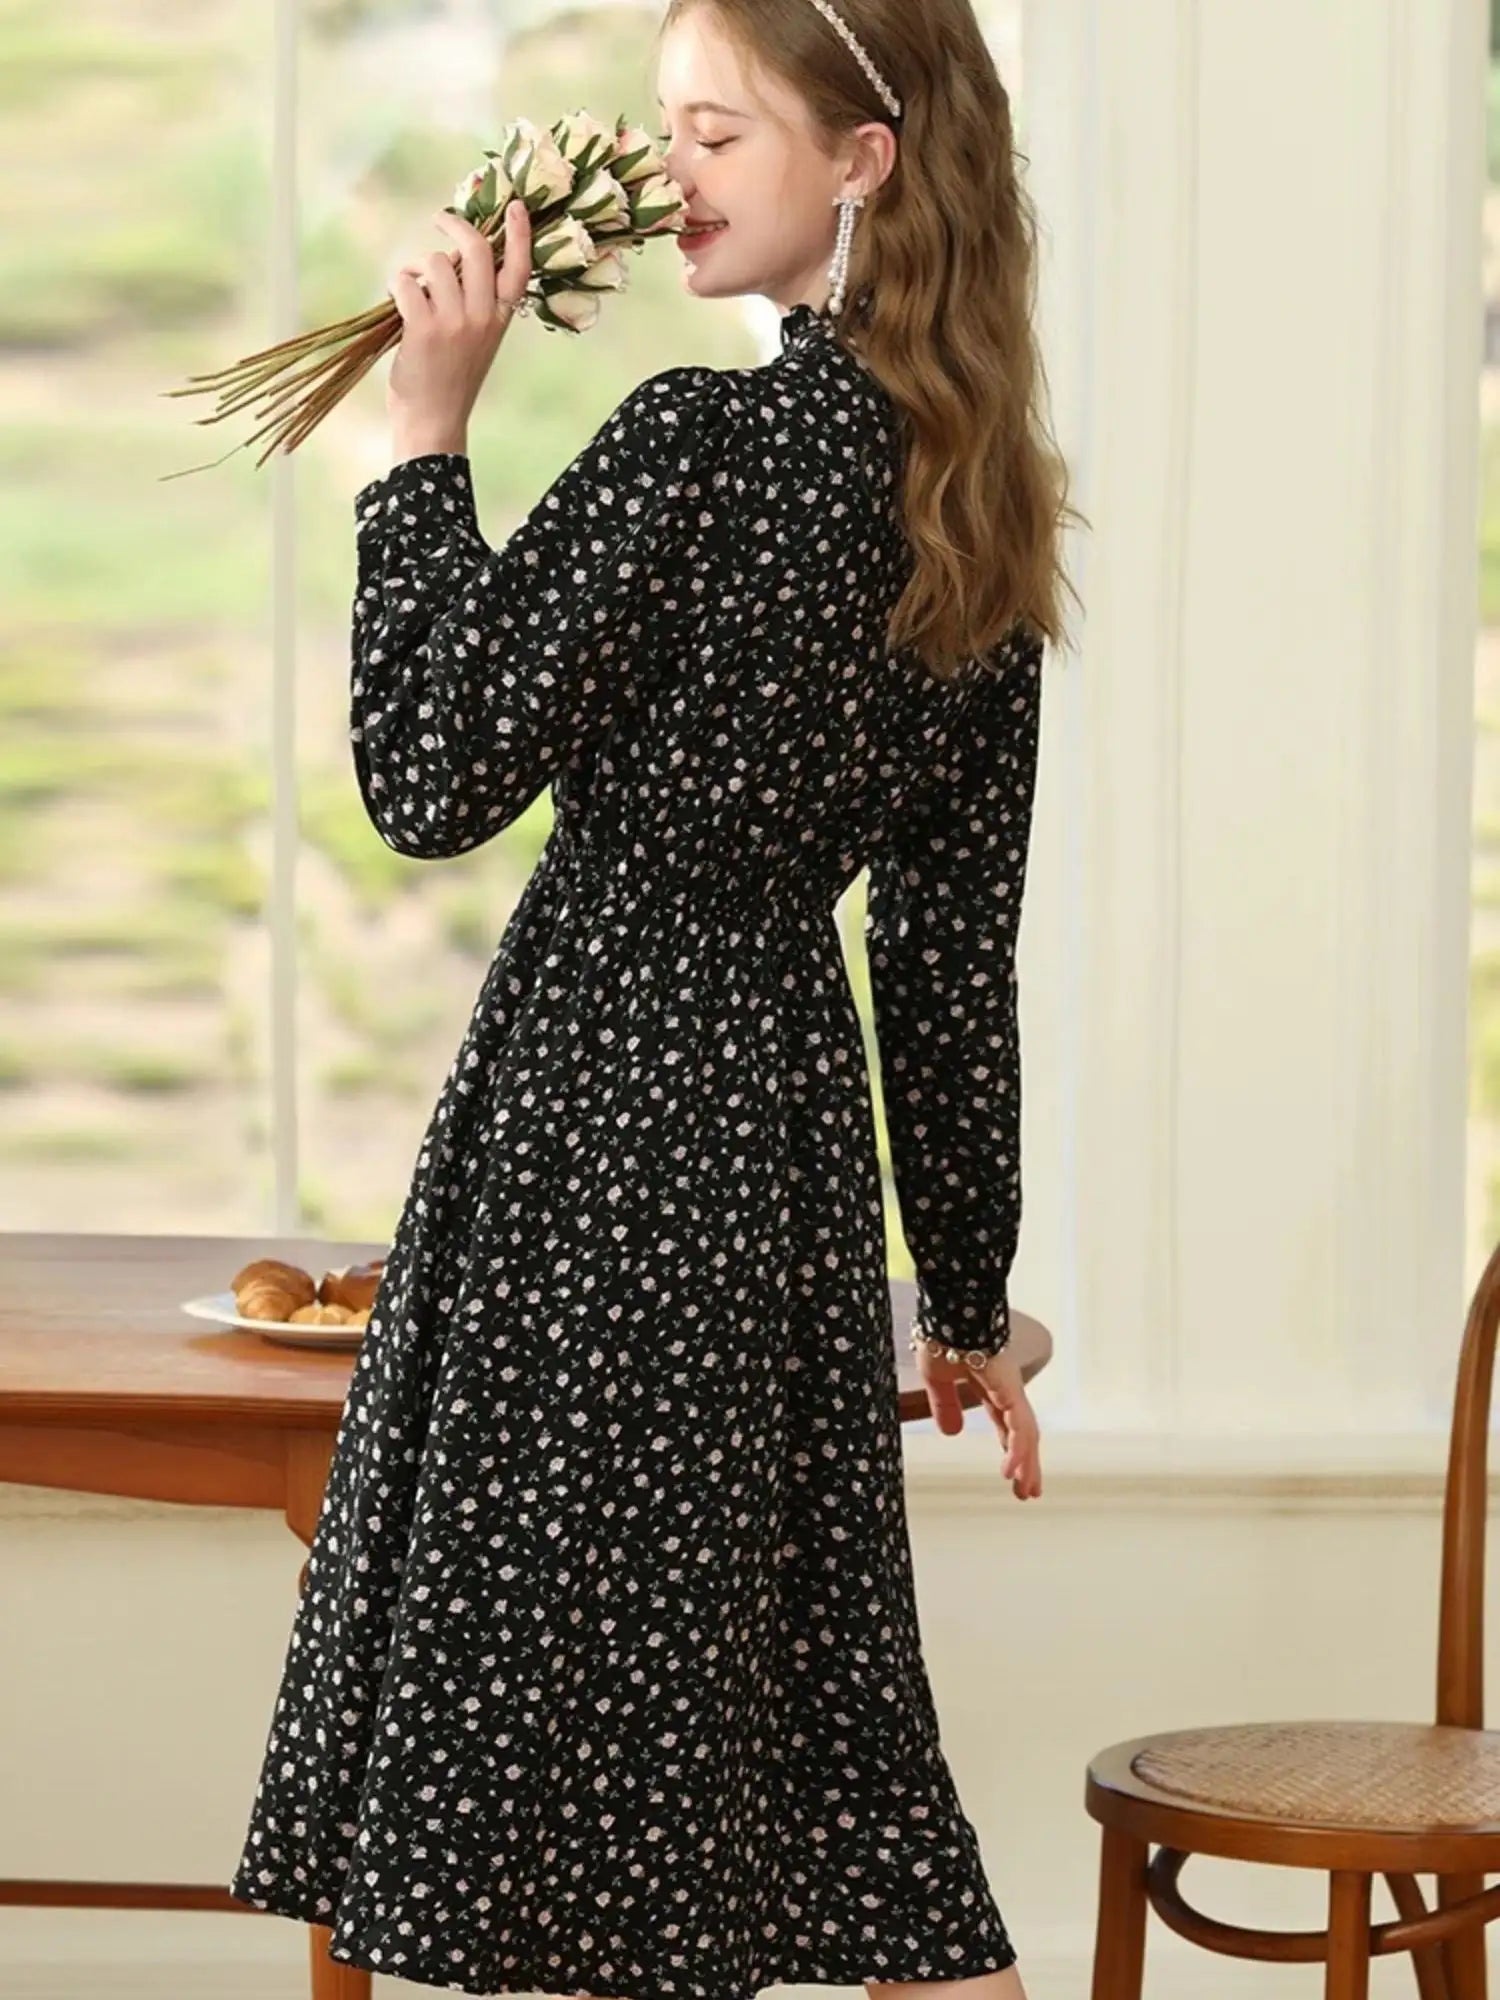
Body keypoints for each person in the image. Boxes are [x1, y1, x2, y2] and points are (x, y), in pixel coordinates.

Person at [228, 1, 1079, 1996]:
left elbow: (429, 774)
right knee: (811, 1764)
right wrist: (965, 1299)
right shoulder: (984, 511)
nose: (668, 172)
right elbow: (947, 964)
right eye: (662, 130)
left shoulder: (699, 445)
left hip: (596, 1130)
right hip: (777, 1164)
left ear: (862, 160)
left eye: (715, 134)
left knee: (592, 1770)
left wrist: (425, 437)